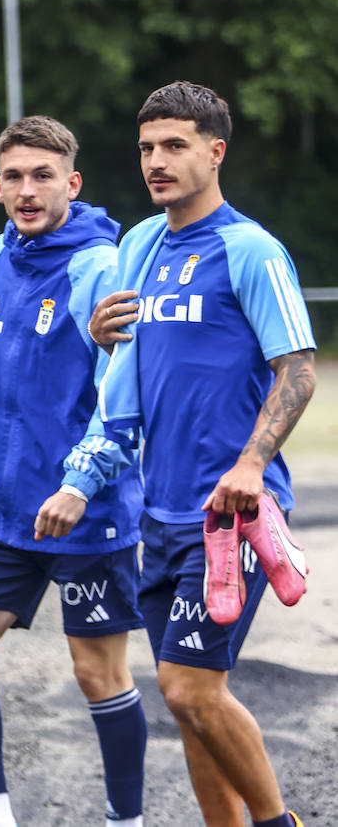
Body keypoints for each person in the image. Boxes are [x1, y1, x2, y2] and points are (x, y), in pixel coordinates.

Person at [90, 81, 314, 827]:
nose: (157, 161)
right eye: (148, 148)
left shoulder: (249, 248)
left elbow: (300, 370)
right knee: (187, 703)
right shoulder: (138, 245)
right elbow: (128, 370)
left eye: (176, 146)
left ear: (216, 153)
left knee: (191, 688)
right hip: (160, 511)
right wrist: (99, 340)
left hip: (232, 513)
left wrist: (251, 466)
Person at [0, 116, 148, 827]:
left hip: (86, 510)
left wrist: (80, 484)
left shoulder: (99, 270)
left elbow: (123, 396)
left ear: (72, 183)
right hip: (3, 506)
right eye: (15, 177)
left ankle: (126, 819)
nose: (29, 189)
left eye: (43, 175)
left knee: (98, 675)